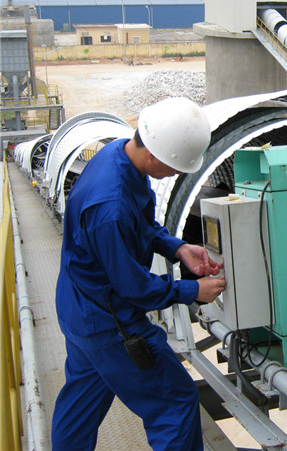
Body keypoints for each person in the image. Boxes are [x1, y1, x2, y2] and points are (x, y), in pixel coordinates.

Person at [51, 97, 226, 451]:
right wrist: (192, 290)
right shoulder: (110, 208)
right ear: (155, 156)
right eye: (175, 168)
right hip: (108, 321)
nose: (176, 175)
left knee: (81, 402)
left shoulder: (118, 156)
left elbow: (141, 224)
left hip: (77, 305)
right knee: (175, 402)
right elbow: (134, 288)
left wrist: (177, 248)